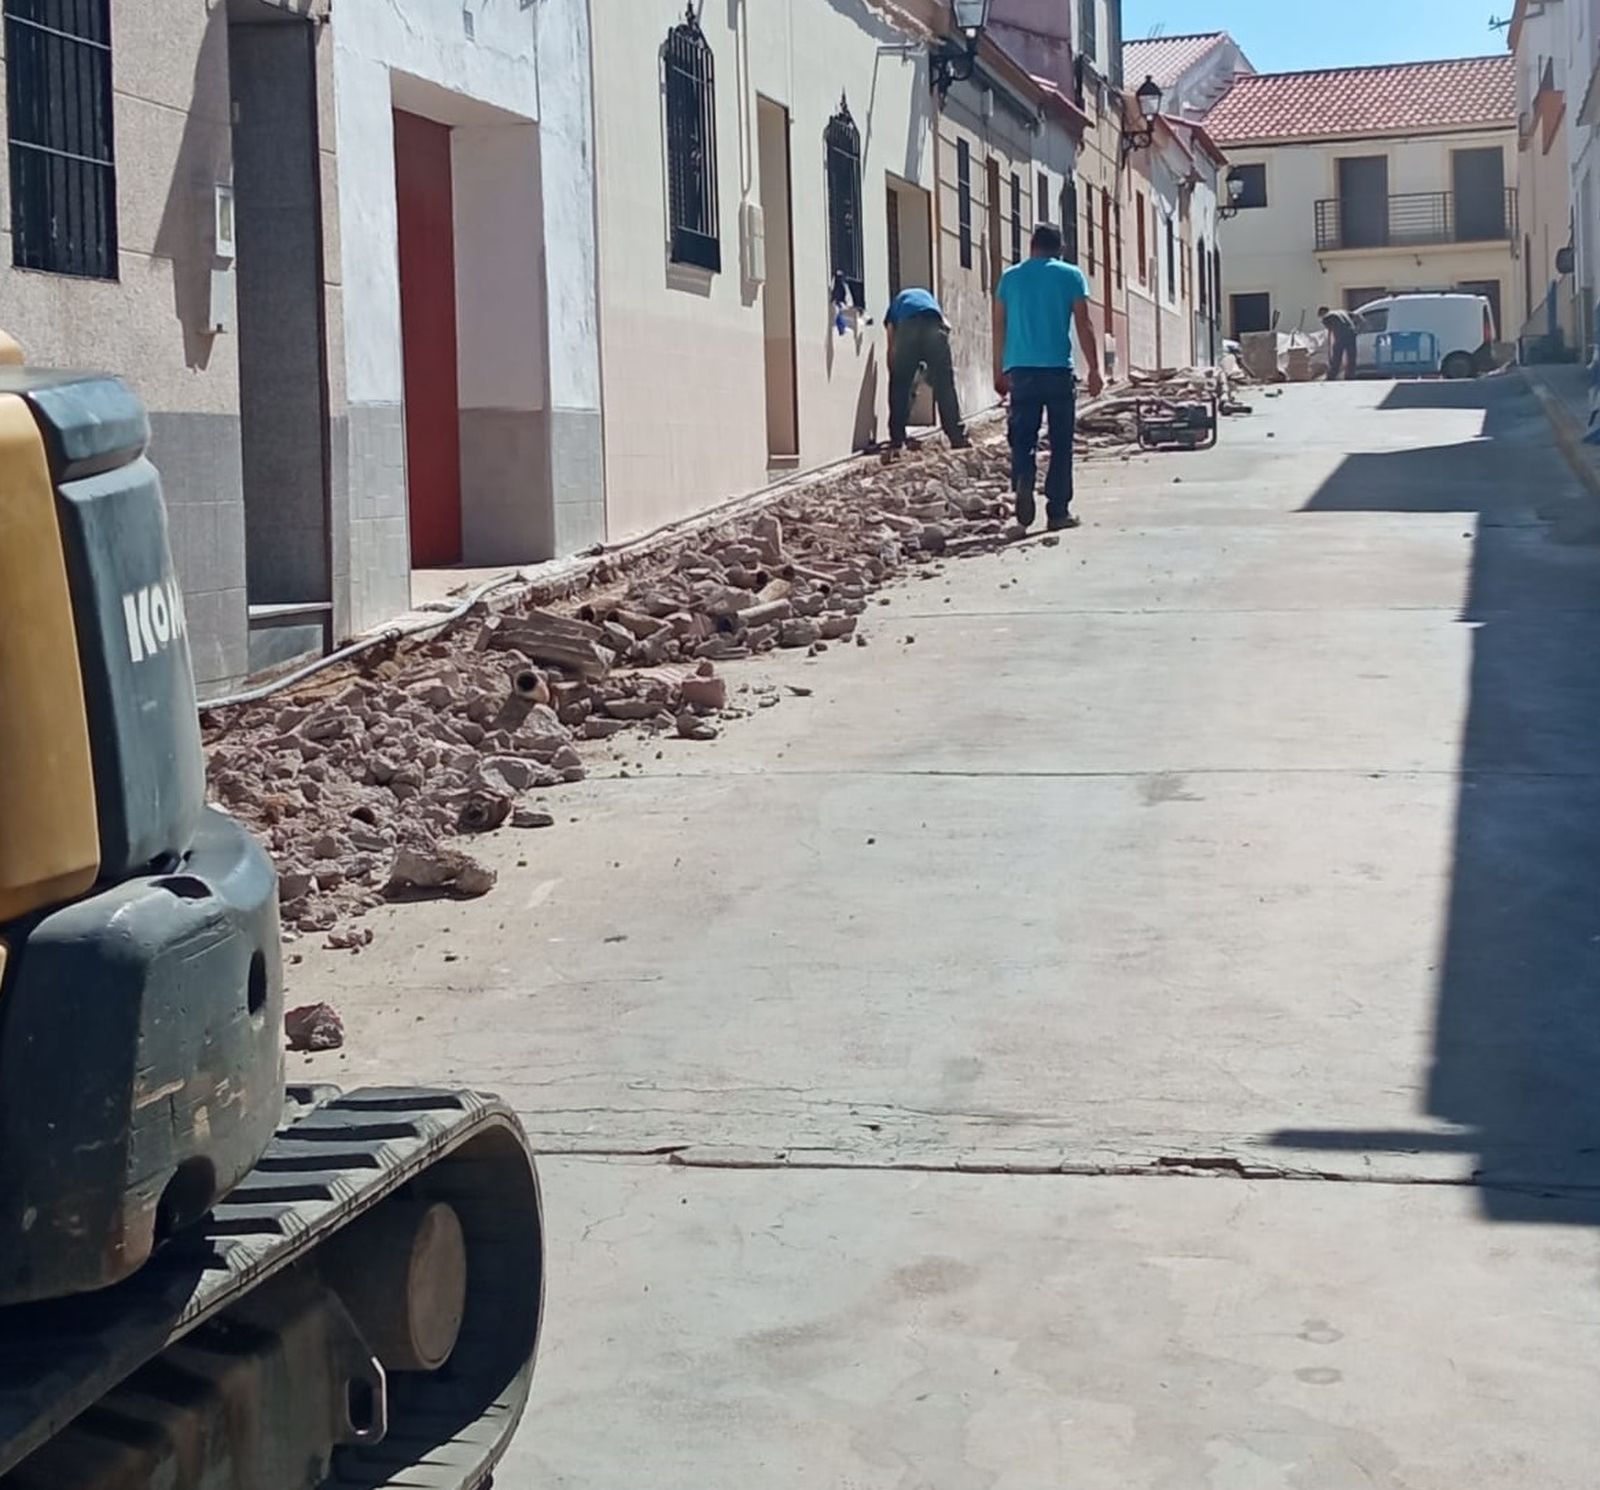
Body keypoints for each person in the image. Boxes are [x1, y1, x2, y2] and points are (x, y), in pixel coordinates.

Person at [993, 221, 1103, 532]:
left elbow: (999, 325)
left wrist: (998, 370)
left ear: (1031, 246)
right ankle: (1058, 511)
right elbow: (1084, 324)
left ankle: (1024, 477)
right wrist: (1095, 369)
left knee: (1022, 436)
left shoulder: (1010, 278)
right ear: (1060, 249)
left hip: (1021, 370)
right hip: (1057, 370)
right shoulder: (1071, 275)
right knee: (1061, 440)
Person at [884, 287, 968, 451]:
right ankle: (957, 436)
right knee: (945, 386)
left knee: (900, 386)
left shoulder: (894, 307)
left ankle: (897, 439)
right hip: (934, 326)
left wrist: (894, 371)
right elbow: (947, 327)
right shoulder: (930, 301)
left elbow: (891, 343)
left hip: (907, 328)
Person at [1319, 305, 1358, 381]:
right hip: (1352, 333)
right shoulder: (1342, 311)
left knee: (1336, 356)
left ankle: (1332, 376)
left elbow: (1330, 331)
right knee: (1351, 356)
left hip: (1341, 335)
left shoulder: (1326, 317)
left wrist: (1331, 344)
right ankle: (1350, 376)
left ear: (1322, 313)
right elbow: (1356, 315)